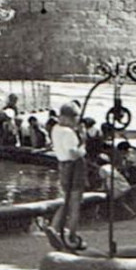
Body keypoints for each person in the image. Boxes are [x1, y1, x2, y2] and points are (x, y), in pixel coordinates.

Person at [47, 103, 86, 246]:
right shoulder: (68, 133)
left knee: (67, 200)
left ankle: (54, 226)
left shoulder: (56, 129)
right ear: (66, 118)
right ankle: (73, 236)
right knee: (75, 203)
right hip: (73, 167)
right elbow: (74, 154)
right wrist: (83, 148)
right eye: (74, 118)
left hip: (62, 165)